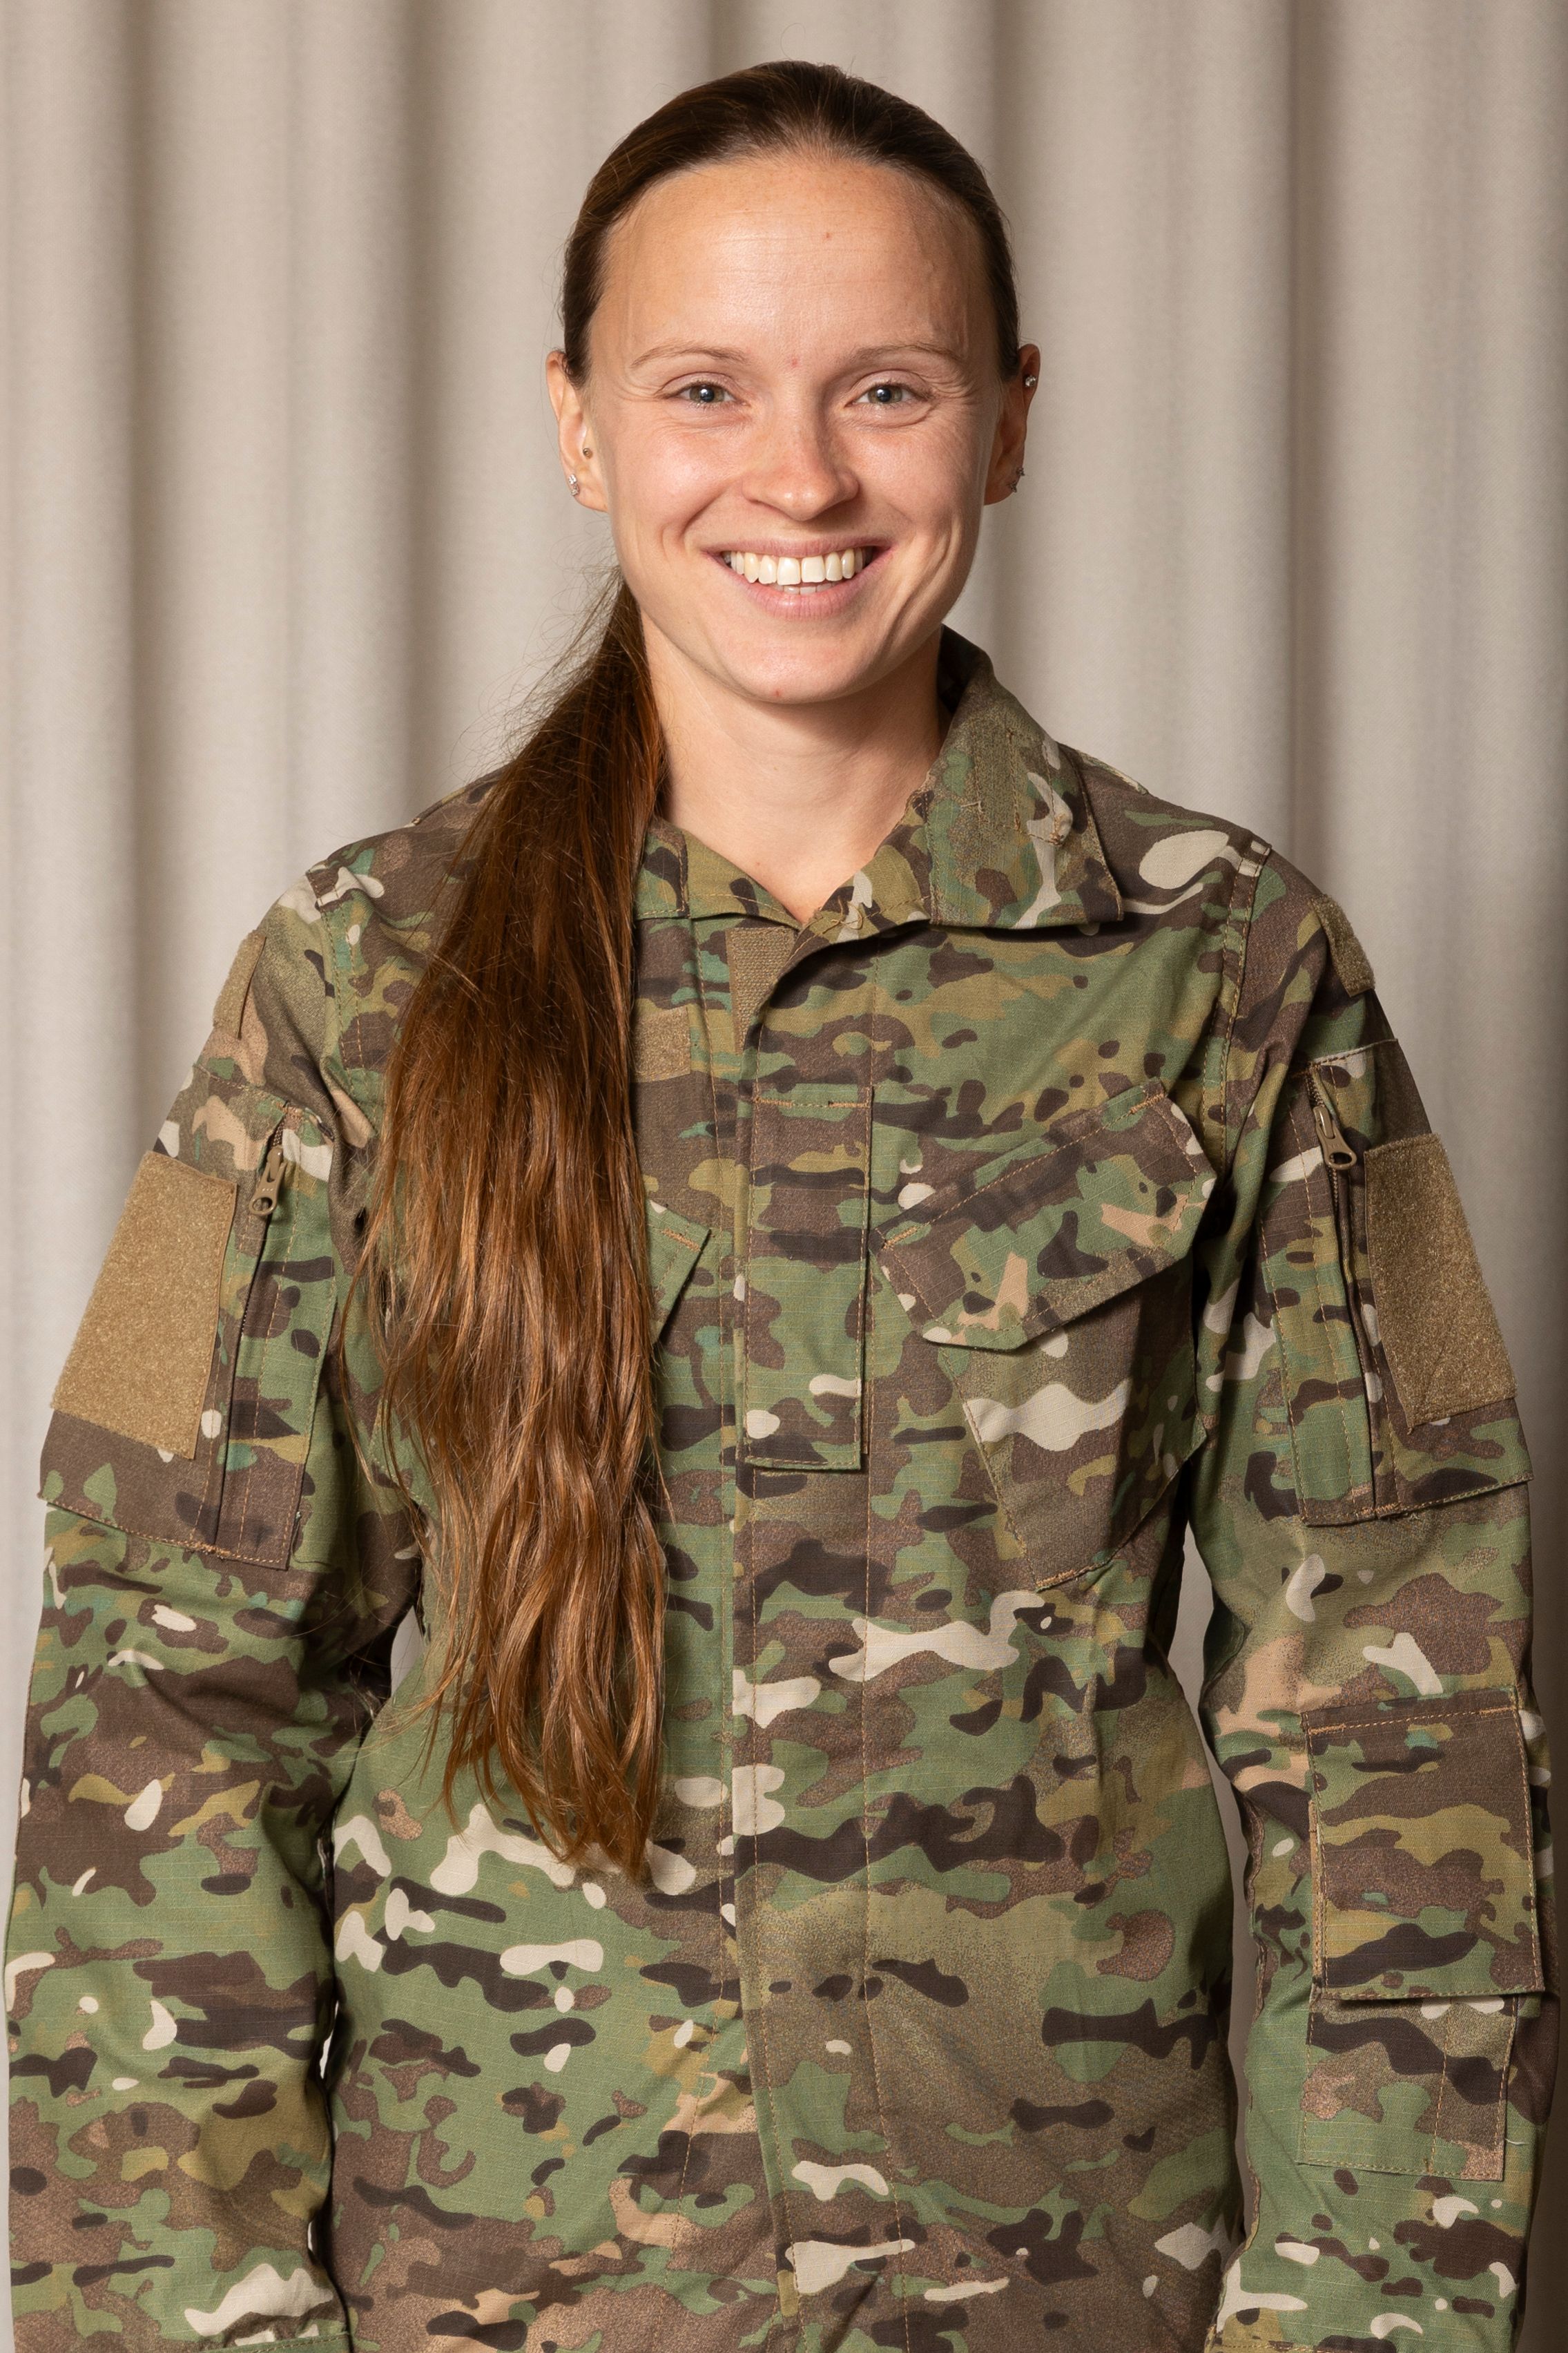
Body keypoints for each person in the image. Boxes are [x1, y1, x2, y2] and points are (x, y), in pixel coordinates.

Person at [6, 57, 1555, 2353]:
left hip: (1071, 2300)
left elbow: (1403, 1709)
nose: (802, 475)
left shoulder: (1230, 968)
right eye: (705, 387)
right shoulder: (354, 980)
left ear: (1009, 420)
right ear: (579, 423)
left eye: (889, 388)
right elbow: (166, 1700)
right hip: (497, 2300)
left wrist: (1367, 2318)